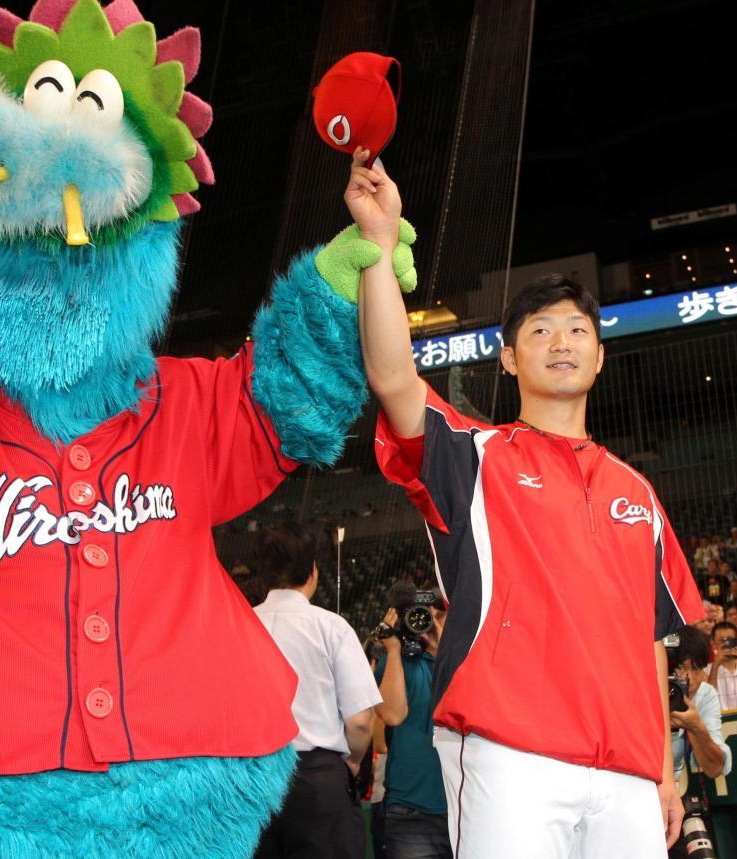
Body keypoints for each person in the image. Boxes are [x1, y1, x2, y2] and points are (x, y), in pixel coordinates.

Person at [345, 148, 704, 856]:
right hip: (511, 755)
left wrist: (664, 771)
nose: (561, 342)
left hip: (631, 773)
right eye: (538, 331)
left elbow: (654, 639)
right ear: (508, 358)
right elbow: (392, 376)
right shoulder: (471, 456)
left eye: (577, 330)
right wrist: (379, 250)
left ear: (600, 355)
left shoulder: (639, 493)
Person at [254, 523, 383, 858]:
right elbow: (360, 722)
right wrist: (352, 761)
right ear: (313, 572)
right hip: (318, 778)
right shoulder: (331, 627)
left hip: (253, 781)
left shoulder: (238, 627)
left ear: (264, 574)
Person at [374, 592, 451, 859]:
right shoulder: (397, 663)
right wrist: (393, 650)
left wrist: (445, 654)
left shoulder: (463, 664)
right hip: (410, 809)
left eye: (439, 616)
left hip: (462, 807)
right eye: (427, 615)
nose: (430, 623)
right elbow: (392, 715)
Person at [670, 626, 732, 781]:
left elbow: (715, 768)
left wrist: (696, 727)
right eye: (680, 668)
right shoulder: (647, 691)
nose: (688, 679)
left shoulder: (706, 695)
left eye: (697, 669)